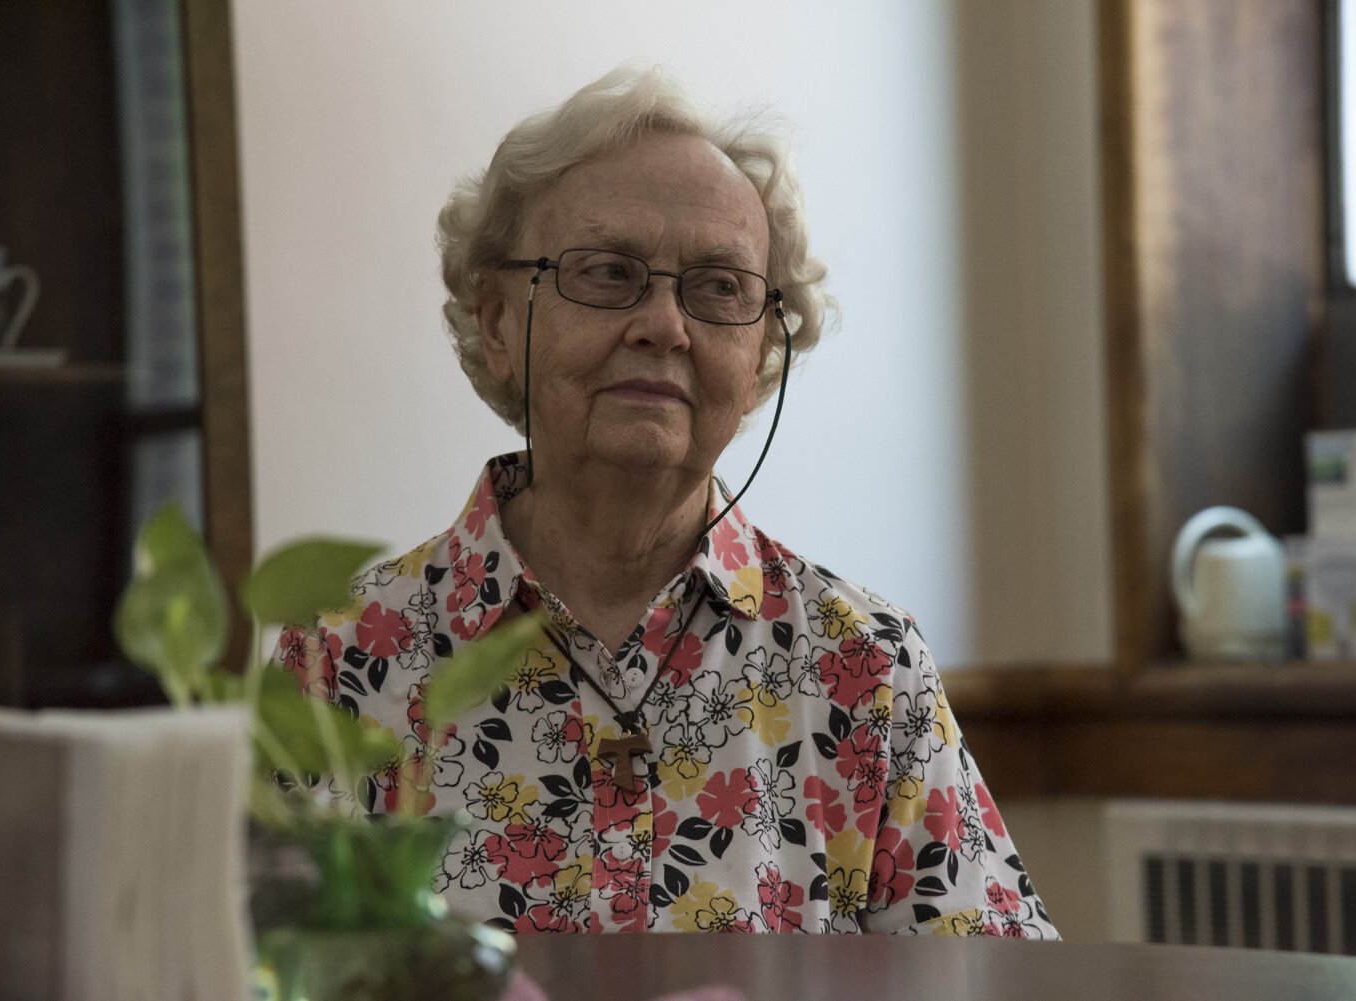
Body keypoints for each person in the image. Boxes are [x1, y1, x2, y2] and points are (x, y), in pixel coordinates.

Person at [280, 66, 1058, 938]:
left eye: (720, 287)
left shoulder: (866, 671)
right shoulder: (338, 662)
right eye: (608, 272)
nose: (664, 325)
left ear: (764, 353)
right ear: (497, 322)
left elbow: (995, 981)